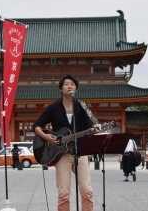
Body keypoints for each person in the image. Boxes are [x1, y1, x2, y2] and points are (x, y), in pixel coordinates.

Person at [33, 74, 99, 211]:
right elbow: (37, 126)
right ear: (60, 89)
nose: (70, 86)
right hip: (61, 154)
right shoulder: (53, 107)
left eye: (73, 84)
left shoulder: (82, 105)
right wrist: (46, 137)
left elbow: (90, 126)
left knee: (87, 190)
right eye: (66, 84)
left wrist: (94, 129)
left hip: (80, 152)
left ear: (76, 89)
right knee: (64, 193)